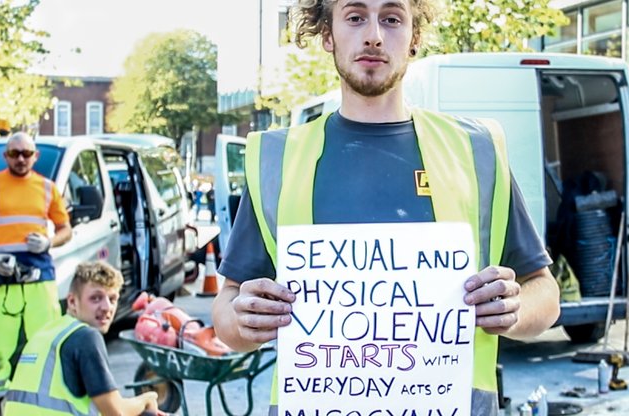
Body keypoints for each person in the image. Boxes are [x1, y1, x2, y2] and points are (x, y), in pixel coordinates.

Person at [211, 1, 561, 415]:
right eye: (356, 16)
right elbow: (226, 308)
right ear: (328, 34)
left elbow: (545, 291)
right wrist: (242, 319)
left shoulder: (475, 150)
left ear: (414, 38)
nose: (374, 34)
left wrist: (514, 309)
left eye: (391, 19)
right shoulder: (278, 158)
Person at [0, 132, 72, 416]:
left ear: (35, 156)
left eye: (27, 153)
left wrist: (50, 242)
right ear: (6, 156)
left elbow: (66, 230)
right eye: (15, 153)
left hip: (39, 274)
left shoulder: (47, 188)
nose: (21, 159)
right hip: (2, 277)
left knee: (44, 342)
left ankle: (41, 405)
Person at [3, 261, 159, 416]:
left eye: (112, 299)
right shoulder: (86, 337)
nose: (106, 308)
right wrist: (146, 399)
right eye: (96, 298)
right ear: (72, 302)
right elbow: (116, 412)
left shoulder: (45, 334)